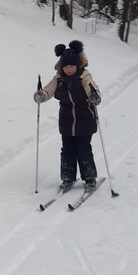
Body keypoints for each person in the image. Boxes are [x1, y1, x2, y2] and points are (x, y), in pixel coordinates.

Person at [34, 40, 101, 192]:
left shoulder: (84, 75)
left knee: (83, 149)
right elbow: (49, 89)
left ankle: (89, 178)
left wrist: (94, 96)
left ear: (77, 64)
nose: (68, 69)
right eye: (65, 66)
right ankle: (67, 177)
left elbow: (92, 87)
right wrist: (42, 95)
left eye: (71, 65)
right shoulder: (59, 77)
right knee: (67, 149)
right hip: (66, 120)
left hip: (85, 118)